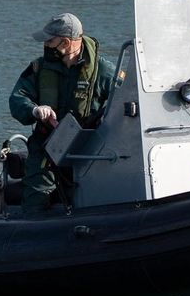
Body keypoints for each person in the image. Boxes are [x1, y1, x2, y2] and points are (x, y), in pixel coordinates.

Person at [8, 12, 118, 208]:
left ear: (66, 43)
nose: (46, 45)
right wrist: (34, 110)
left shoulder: (104, 71)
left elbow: (126, 101)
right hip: (47, 149)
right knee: (36, 196)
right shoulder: (39, 68)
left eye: (50, 41)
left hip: (88, 150)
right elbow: (17, 98)